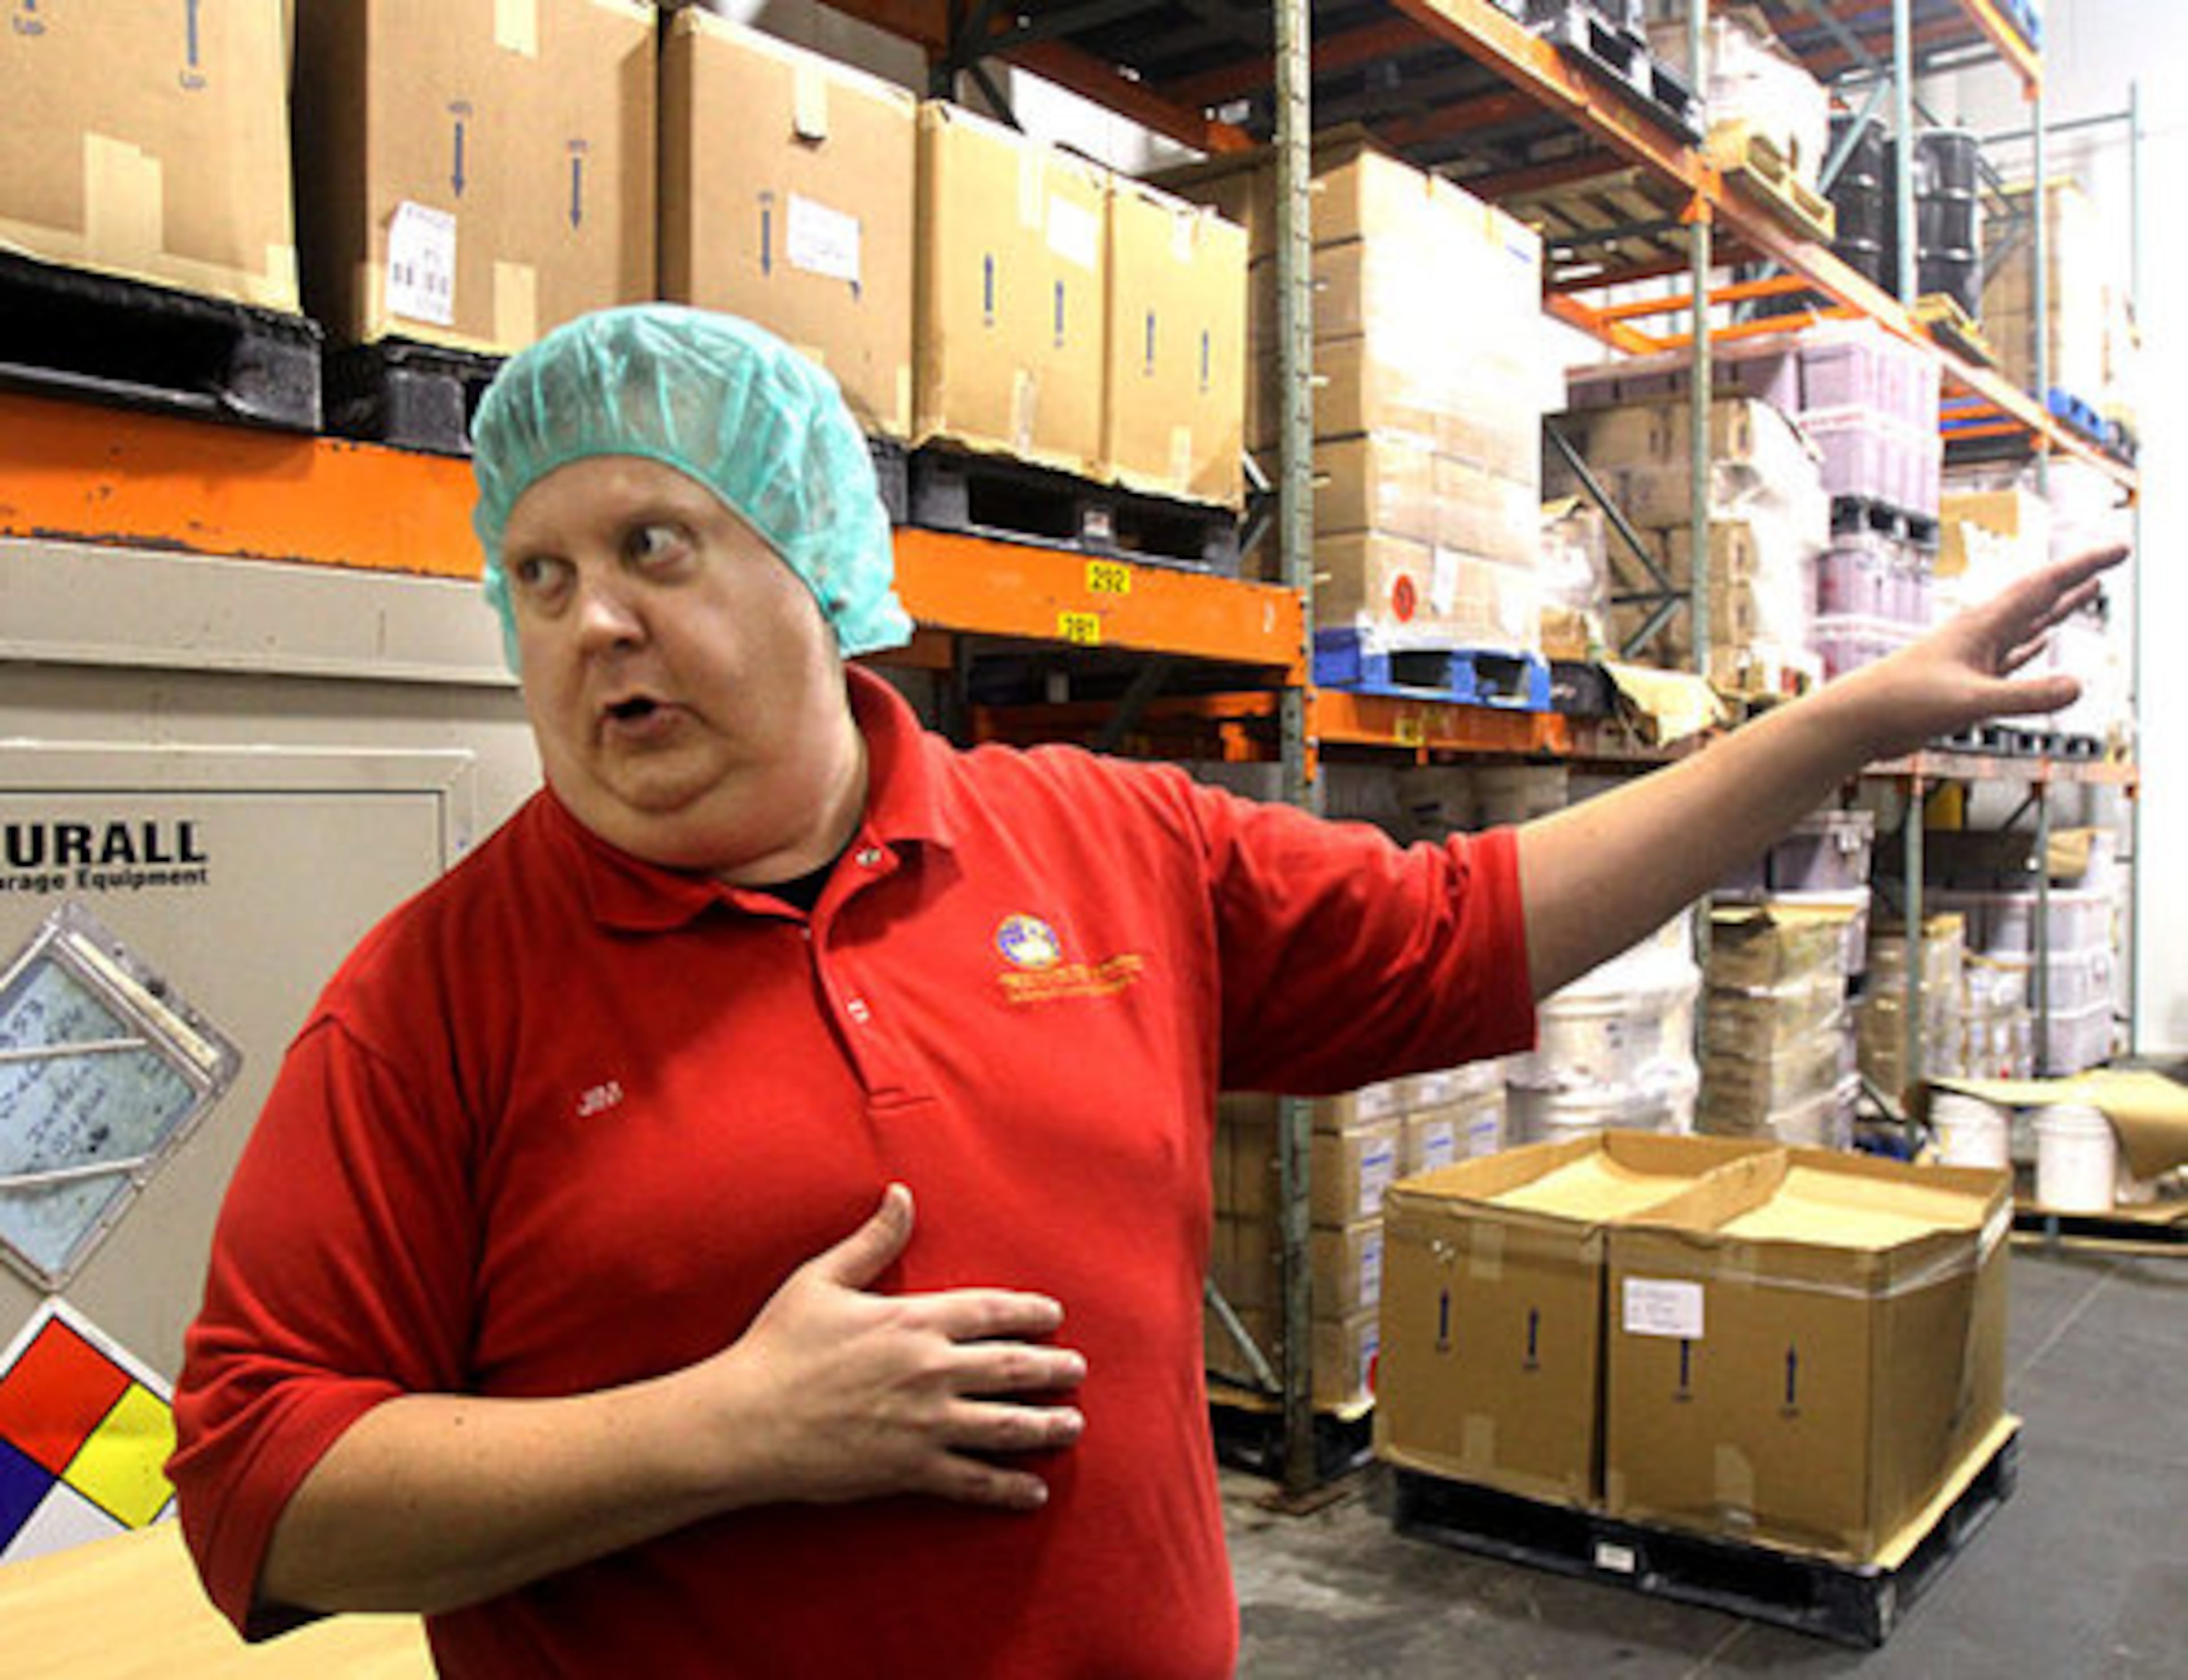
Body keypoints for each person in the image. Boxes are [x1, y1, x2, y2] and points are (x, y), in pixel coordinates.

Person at [168, 304, 2121, 1678]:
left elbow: (1466, 926)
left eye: (649, 544)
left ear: (817, 565)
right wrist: (729, 1430)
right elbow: (258, 1486)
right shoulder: (435, 998)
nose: (590, 617)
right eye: (533, 575)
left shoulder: (1106, 845)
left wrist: (1842, 724)